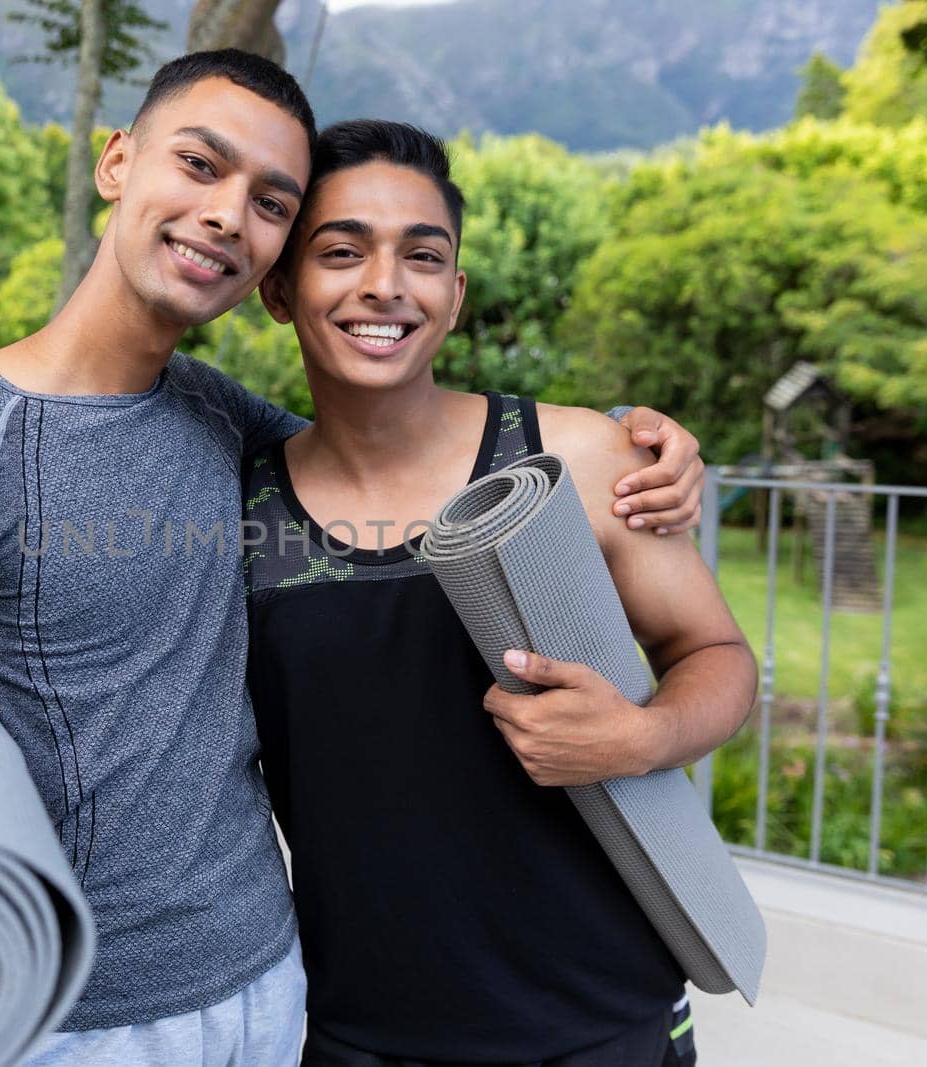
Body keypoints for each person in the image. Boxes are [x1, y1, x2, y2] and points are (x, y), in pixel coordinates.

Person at [0, 52, 708, 1066]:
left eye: (268, 201)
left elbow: (381, 451)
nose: (224, 215)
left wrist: (624, 441)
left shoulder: (216, 416)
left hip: (273, 981)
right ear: (117, 162)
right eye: (199, 165)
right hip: (68, 1015)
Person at [246, 120, 757, 1067]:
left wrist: (641, 736)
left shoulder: (581, 459)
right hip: (359, 1031)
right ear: (279, 286)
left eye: (423, 255)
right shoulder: (239, 506)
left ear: (456, 292)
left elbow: (718, 657)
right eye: (341, 251)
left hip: (605, 1017)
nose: (384, 285)